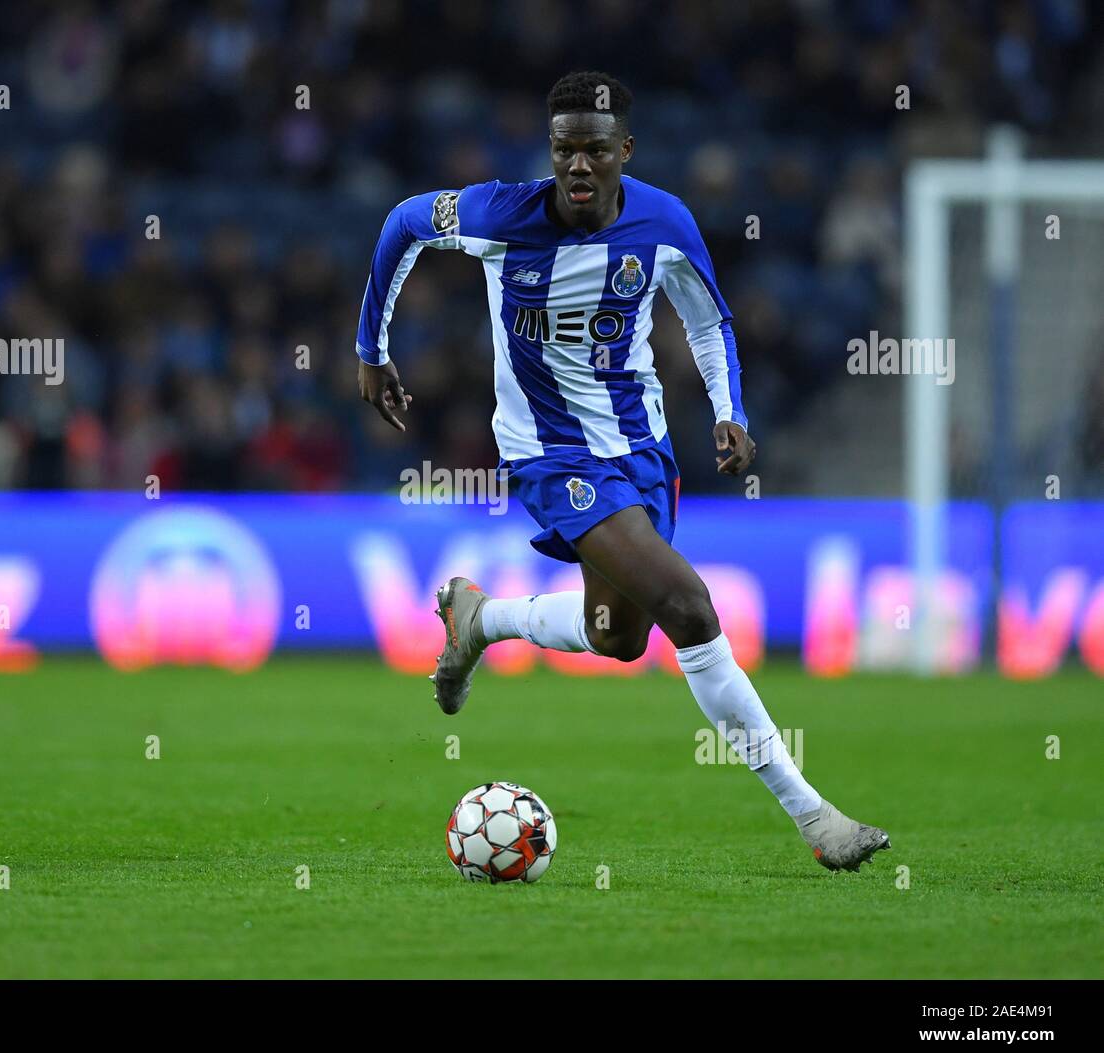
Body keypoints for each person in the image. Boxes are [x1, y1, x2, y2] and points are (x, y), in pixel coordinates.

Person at [355, 71, 889, 871]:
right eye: (564, 148)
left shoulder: (664, 222)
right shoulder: (500, 214)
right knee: (690, 606)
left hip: (640, 450)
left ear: (623, 153)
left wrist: (728, 410)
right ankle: (815, 817)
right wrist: (373, 349)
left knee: (618, 635)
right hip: (549, 451)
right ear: (551, 150)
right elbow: (404, 222)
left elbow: (708, 320)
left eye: (594, 150)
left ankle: (481, 618)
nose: (577, 164)